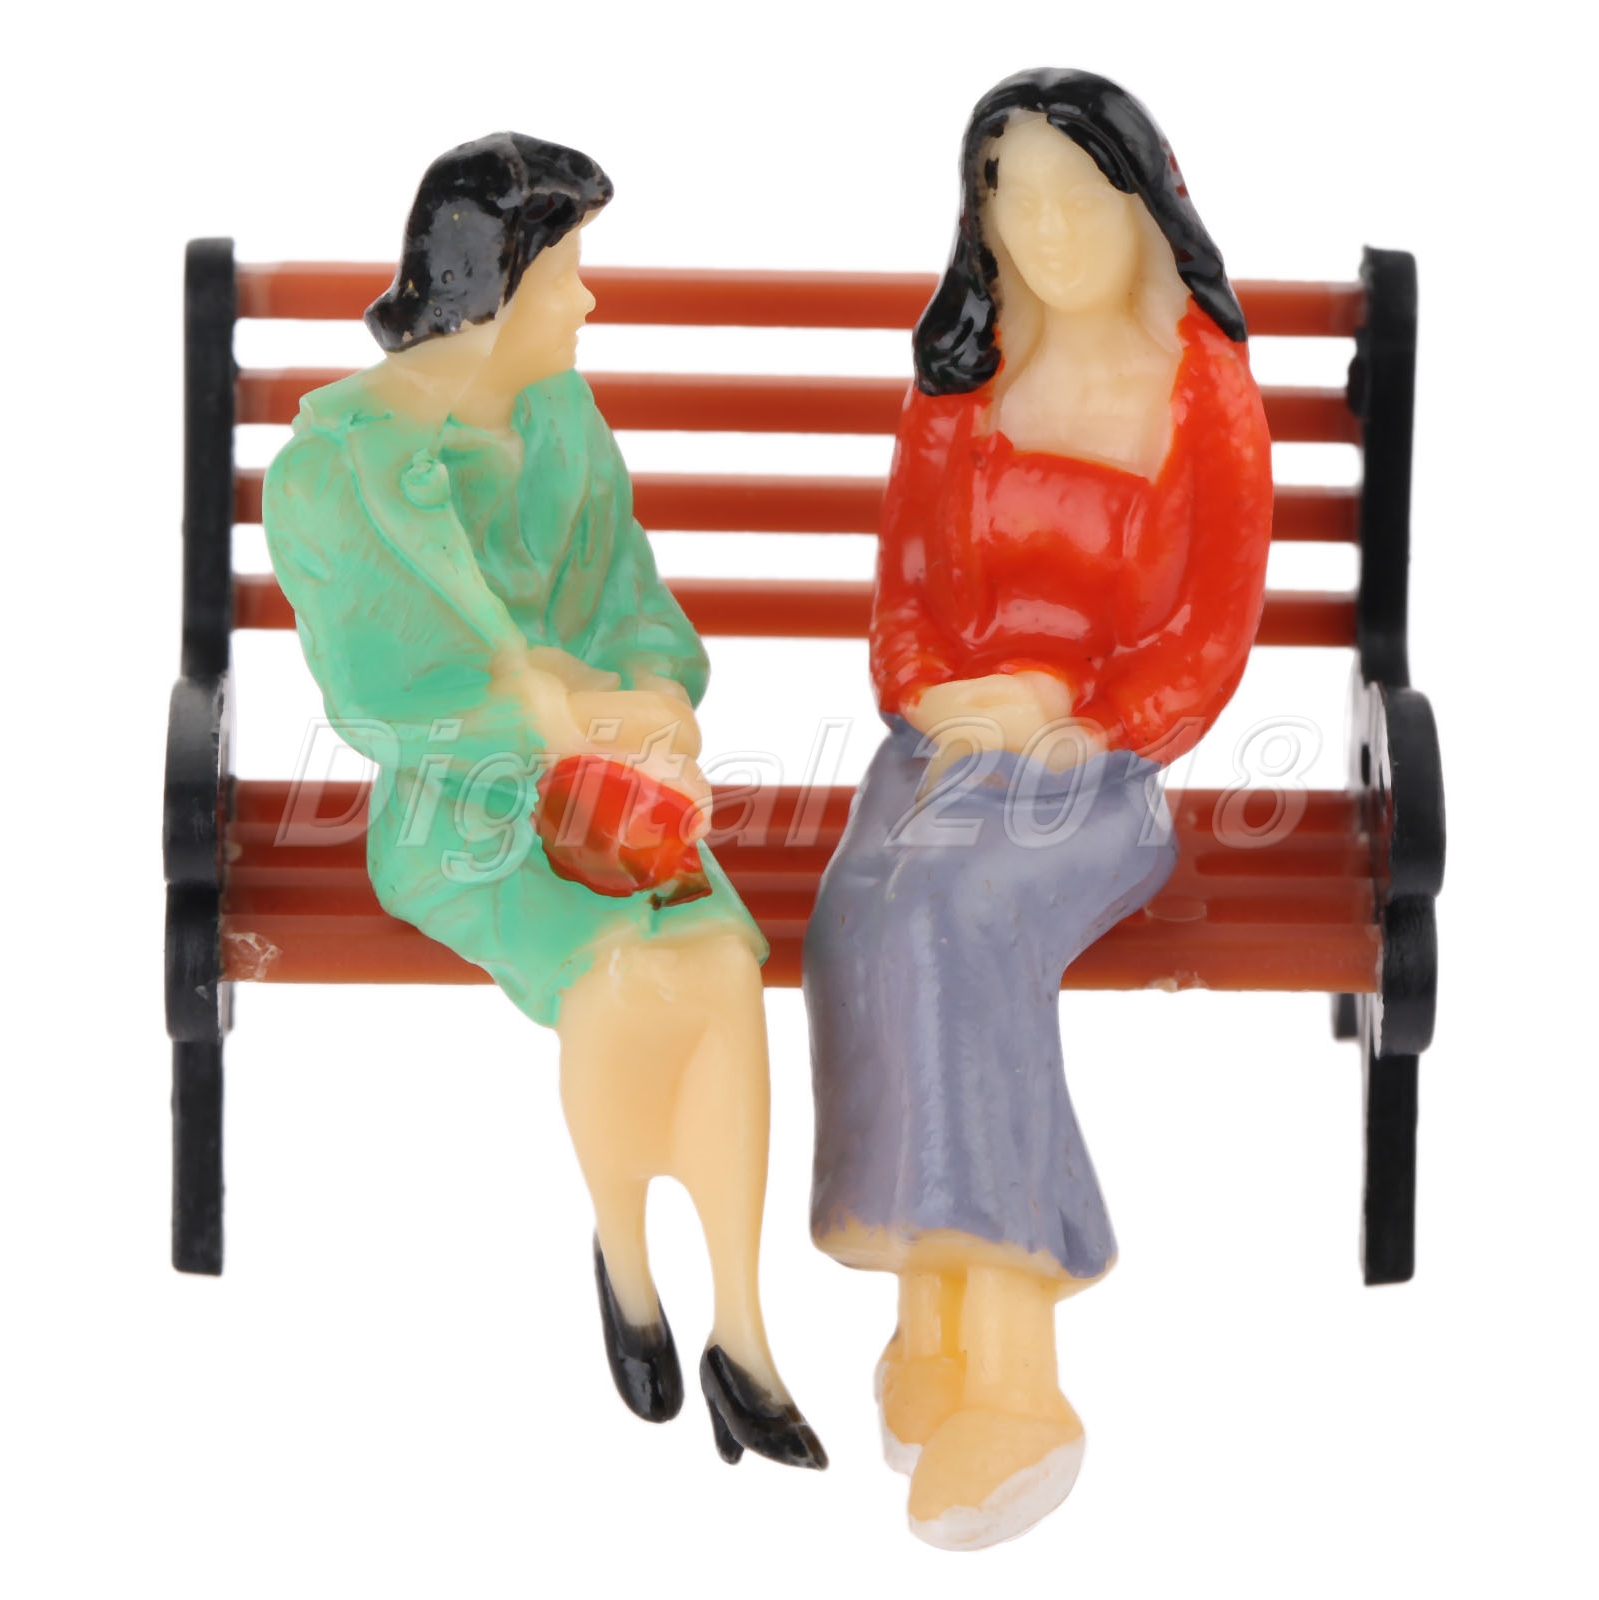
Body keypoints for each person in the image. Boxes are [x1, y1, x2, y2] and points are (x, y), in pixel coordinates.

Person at [264, 133, 824, 1470]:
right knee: (625, 971)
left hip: (622, 794)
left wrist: (653, 694)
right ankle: (629, 1268)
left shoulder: (564, 419)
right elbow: (379, 701)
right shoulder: (337, 470)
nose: (586, 299)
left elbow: (633, 597)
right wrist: (553, 719)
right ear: (495, 286)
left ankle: (743, 1331)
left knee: (719, 963)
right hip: (458, 813)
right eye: (567, 272)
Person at [804, 70, 1272, 1546]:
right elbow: (902, 594)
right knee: (858, 917)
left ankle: (1016, 1376)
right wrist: (942, 697)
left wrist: (1073, 718)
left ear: (1149, 205)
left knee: (954, 917)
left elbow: (1207, 641)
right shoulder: (962, 382)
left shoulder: (1202, 391)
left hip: (1100, 775)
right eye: (1014, 199)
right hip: (945, 750)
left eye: (1081, 196)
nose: (1049, 230)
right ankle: (930, 1314)